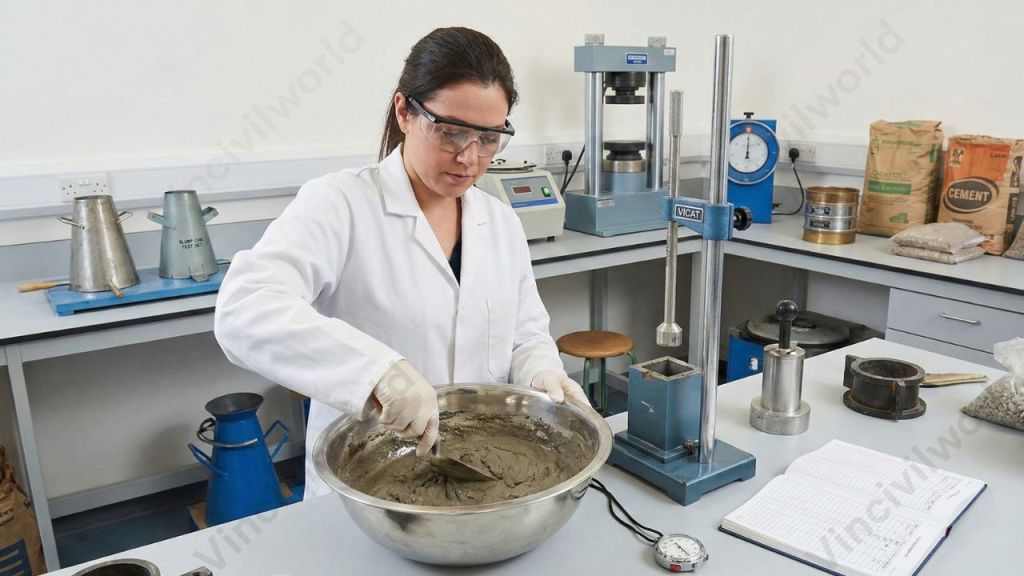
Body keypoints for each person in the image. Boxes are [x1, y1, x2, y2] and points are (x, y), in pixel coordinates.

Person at [214, 27, 590, 500]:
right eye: (451, 131)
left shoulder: (499, 221)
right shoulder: (339, 203)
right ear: (404, 112)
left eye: (490, 138)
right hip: (367, 480)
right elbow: (245, 310)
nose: (469, 157)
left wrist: (542, 374)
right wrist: (379, 373)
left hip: (482, 474)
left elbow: (524, 334)